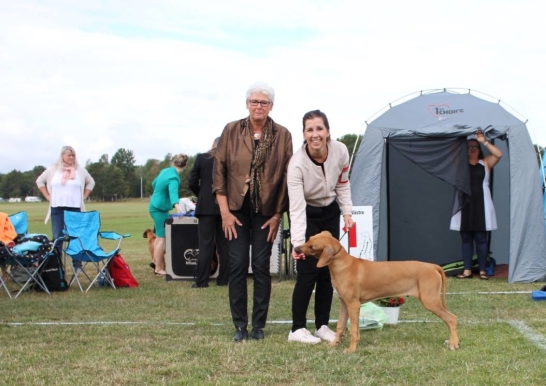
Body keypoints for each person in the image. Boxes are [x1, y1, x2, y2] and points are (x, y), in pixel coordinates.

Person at [213, 81, 293, 342]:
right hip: (235, 210)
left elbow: (285, 178)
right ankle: (239, 326)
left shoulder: (283, 135)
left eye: (264, 102)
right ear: (247, 104)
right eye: (255, 101)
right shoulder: (231, 130)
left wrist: (277, 215)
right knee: (236, 266)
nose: (259, 106)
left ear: (271, 106)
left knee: (260, 267)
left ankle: (258, 324)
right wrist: (224, 212)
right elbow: (220, 173)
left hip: (266, 212)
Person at [287, 109, 354, 344]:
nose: (315, 134)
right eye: (309, 130)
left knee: (328, 271)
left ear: (327, 132)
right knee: (308, 273)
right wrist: (298, 243)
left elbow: (343, 184)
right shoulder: (296, 165)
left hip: (331, 210)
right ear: (304, 134)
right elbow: (295, 208)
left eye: (319, 128)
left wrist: (347, 211)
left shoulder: (341, 151)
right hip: (307, 212)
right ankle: (297, 329)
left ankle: (322, 325)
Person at [450, 130, 502, 280]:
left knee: (480, 239)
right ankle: (467, 270)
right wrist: (462, 137)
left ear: (479, 150)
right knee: (466, 238)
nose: (472, 149)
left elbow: (498, 154)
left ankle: (482, 271)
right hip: (464, 205)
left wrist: (482, 140)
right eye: (469, 147)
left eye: (474, 147)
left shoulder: (485, 163)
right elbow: (452, 152)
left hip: (482, 206)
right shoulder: (459, 164)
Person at [36, 145, 95, 263]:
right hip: (57, 208)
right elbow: (39, 181)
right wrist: (47, 195)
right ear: (62, 156)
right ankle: (57, 267)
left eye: (73, 155)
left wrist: (84, 196)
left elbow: (91, 182)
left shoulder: (80, 170)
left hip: (75, 209)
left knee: (76, 238)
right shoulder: (53, 169)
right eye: (69, 155)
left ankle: (77, 265)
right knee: (57, 238)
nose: (71, 157)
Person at [189, 137, 229, 288]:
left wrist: (201, 195)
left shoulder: (201, 158)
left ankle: (202, 281)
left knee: (205, 244)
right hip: (224, 206)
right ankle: (224, 279)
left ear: (213, 145)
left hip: (205, 207)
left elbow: (192, 182)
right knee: (224, 245)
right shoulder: (228, 160)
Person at [149, 154, 189, 276]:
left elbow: (153, 183)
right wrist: (178, 208)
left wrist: (159, 193)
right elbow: (173, 193)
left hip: (154, 205)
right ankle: (158, 268)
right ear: (185, 166)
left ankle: (155, 261)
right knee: (162, 238)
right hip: (160, 209)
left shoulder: (165, 171)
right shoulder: (174, 178)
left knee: (159, 236)